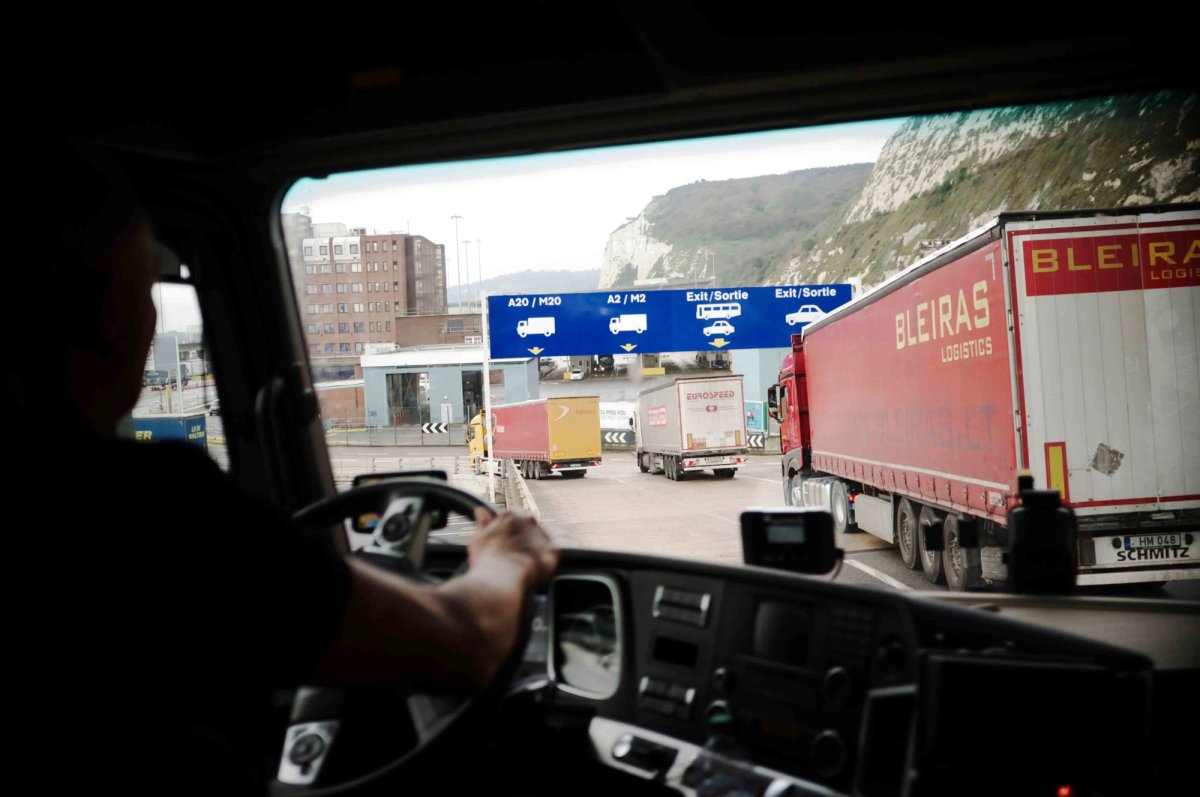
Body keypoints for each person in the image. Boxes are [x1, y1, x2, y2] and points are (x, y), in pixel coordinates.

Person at [9, 138, 558, 794]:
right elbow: (470, 639)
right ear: (109, 311)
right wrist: (505, 556)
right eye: (153, 271)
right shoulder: (151, 511)